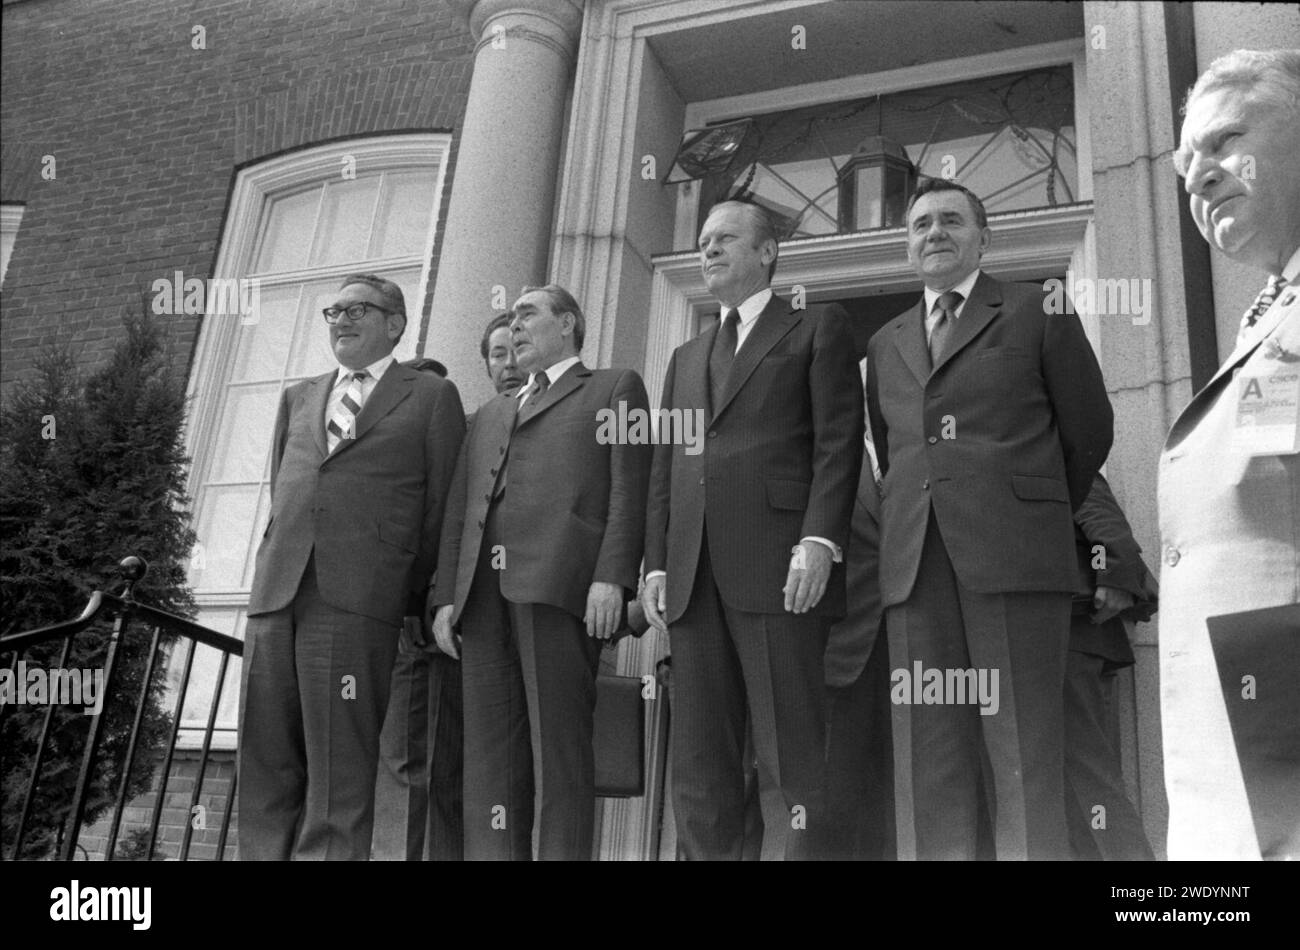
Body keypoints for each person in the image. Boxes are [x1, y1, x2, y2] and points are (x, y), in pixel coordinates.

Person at [865, 179, 1113, 860]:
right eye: (919, 225)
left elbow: (1088, 427)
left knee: (1023, 753)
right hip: (914, 567)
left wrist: (1026, 509)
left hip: (1014, 561)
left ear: (984, 236)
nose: (933, 233)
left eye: (950, 220)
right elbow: (892, 454)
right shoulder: (885, 342)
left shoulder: (1037, 307)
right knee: (928, 754)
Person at [643, 198, 863, 860]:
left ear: (767, 252)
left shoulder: (816, 327)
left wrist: (819, 540)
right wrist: (655, 563)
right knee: (699, 767)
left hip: (780, 573)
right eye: (704, 241)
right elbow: (664, 468)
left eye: (726, 239)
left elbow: (838, 443)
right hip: (691, 579)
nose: (708, 250)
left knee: (790, 760)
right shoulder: (685, 357)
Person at [237, 274, 465, 860]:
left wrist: (427, 597)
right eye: (333, 310)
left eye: (357, 308)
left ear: (395, 322)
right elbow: (284, 491)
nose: (341, 319)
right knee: (265, 760)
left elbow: (441, 505)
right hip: (276, 593)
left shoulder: (431, 395)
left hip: (359, 600)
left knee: (340, 768)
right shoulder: (300, 395)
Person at [432, 285, 651, 860]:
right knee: (490, 766)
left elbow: (631, 490)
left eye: (528, 314)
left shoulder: (614, 386)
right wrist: (445, 598)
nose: (516, 326)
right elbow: (461, 509)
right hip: (481, 600)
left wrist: (613, 577)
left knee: (560, 758)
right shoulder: (490, 413)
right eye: (511, 317)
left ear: (570, 324)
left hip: (560, 590)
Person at [1164, 48, 1300, 860]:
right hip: (1245, 741)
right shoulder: (1266, 311)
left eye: (1222, 142)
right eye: (1186, 165)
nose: (1199, 177)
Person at [372, 316, 525, 862]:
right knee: (420, 763)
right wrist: (424, 602)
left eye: (518, 350)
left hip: (518, 628)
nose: (509, 365)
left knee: (484, 774)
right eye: (497, 353)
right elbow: (433, 520)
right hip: (433, 627)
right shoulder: (461, 426)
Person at [1065, 473, 1156, 861]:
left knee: (1088, 776)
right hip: (1065, 637)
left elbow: (1099, 514)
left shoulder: (1046, 446)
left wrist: (1113, 572)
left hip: (1075, 634)